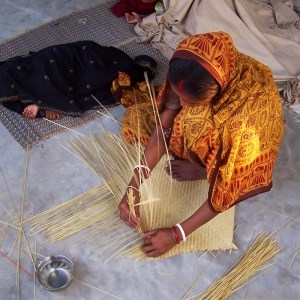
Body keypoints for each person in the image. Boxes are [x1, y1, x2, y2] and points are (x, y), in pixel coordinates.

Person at [118, 31, 284, 258]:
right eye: (179, 96)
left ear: (217, 91)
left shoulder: (246, 119)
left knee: (208, 141)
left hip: (245, 145)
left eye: (191, 101)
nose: (183, 104)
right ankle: (200, 158)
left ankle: (206, 169)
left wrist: (177, 234)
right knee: (138, 122)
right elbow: (167, 121)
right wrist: (134, 184)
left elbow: (229, 188)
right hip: (218, 113)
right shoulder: (196, 64)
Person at [0, 41, 155, 120]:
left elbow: (29, 70)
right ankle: (42, 98)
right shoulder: (6, 95)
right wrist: (40, 109)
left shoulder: (6, 70)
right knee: (92, 83)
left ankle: (43, 98)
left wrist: (40, 103)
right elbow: (11, 101)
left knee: (100, 65)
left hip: (65, 57)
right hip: (59, 74)